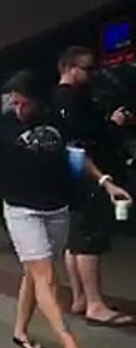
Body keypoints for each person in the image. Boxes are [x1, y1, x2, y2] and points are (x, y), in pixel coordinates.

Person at [0, 70, 112, 348]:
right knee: (45, 276)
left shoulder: (55, 120)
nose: (18, 109)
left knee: (34, 274)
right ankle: (71, 347)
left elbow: (77, 157)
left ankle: (20, 331)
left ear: (38, 101)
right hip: (21, 210)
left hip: (56, 208)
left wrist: (106, 182)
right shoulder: (2, 124)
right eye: (15, 103)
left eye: (24, 103)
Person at [53, 46, 136, 326]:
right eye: (87, 69)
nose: (92, 74)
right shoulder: (74, 102)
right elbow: (80, 145)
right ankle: (95, 304)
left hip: (73, 179)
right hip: (89, 175)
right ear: (69, 68)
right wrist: (104, 178)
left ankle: (80, 298)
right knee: (89, 238)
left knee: (76, 240)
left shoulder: (58, 100)